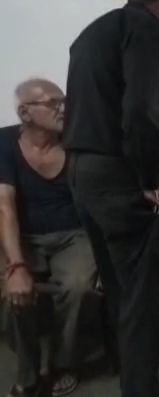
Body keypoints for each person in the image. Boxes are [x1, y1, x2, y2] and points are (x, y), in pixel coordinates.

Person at [62, 0, 159, 397]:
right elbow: (140, 113)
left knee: (119, 291)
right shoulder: (148, 30)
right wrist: (151, 178)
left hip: (81, 174)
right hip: (119, 178)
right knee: (142, 298)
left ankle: (133, 382)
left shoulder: (92, 33)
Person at [0, 79, 97, 397]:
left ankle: (62, 363)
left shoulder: (77, 142)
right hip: (24, 236)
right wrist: (16, 266)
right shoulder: (4, 143)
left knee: (78, 286)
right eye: (53, 103)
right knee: (14, 291)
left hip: (74, 235)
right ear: (25, 112)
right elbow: (4, 207)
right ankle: (27, 373)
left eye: (65, 101)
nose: (63, 108)